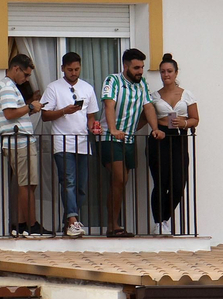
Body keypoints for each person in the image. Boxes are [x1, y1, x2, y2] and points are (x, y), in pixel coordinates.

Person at [99, 48, 162, 238]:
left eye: (142, 67)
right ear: (125, 66)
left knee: (120, 182)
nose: (140, 71)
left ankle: (114, 224)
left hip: (129, 140)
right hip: (110, 138)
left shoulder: (142, 83)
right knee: (120, 179)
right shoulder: (113, 80)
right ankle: (113, 225)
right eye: (136, 67)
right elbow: (108, 105)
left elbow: (148, 106)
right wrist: (112, 129)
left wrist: (155, 128)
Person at [40, 51, 99, 238]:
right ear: (63, 69)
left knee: (81, 185)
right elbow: (45, 115)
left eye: (76, 69)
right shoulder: (53, 88)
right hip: (62, 141)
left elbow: (91, 117)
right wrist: (64, 111)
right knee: (69, 182)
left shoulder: (88, 88)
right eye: (70, 69)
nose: (74, 73)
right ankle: (73, 220)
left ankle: (69, 222)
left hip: (82, 142)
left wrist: (94, 128)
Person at [0, 53, 50, 238]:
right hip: (19, 142)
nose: (27, 79)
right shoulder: (7, 87)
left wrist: (29, 105)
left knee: (26, 185)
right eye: (26, 75)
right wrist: (31, 107)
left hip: (20, 141)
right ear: (16, 68)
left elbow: (14, 112)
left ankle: (20, 224)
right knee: (27, 184)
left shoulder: (11, 87)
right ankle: (31, 225)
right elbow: (9, 114)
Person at [147, 54, 199, 225]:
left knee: (178, 184)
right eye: (162, 72)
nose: (166, 74)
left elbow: (195, 119)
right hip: (160, 137)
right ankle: (159, 223)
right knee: (161, 182)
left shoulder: (187, 94)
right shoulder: (154, 96)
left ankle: (165, 217)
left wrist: (183, 123)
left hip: (178, 137)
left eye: (169, 71)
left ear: (176, 73)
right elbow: (146, 116)